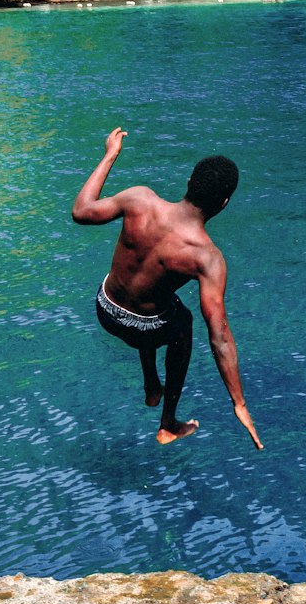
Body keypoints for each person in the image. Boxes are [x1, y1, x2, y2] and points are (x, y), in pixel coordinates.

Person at [72, 129, 263, 450]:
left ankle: (151, 384)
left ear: (189, 183)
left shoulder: (139, 199)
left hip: (104, 306)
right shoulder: (207, 257)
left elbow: (81, 211)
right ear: (224, 203)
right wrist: (239, 402)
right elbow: (219, 335)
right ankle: (168, 423)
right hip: (146, 329)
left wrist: (110, 154)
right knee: (182, 323)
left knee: (165, 302)